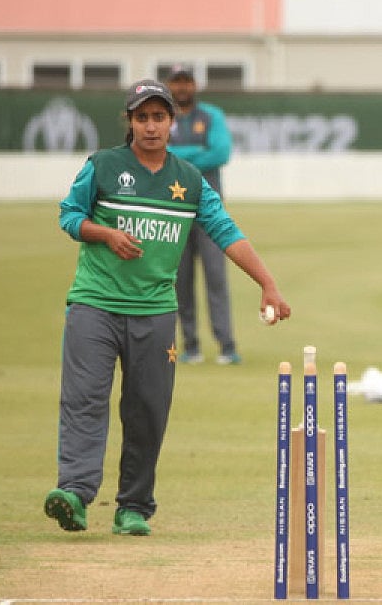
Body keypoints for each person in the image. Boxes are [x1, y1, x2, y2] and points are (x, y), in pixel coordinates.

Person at [44, 79, 291, 536]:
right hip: (94, 305)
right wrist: (105, 233)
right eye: (142, 118)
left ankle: (133, 506)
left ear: (171, 122)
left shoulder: (188, 180)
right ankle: (75, 494)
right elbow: (69, 215)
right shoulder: (102, 166)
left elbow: (226, 232)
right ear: (130, 122)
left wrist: (268, 283)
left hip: (156, 312)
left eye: (159, 117)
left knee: (148, 408)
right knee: (84, 401)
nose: (151, 126)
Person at [165, 65, 240, 365]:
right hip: (174, 211)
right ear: (169, 85)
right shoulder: (163, 117)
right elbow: (153, 151)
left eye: (186, 82)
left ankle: (226, 346)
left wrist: (178, 155)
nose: (182, 88)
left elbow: (220, 153)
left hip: (209, 210)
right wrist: (197, 151)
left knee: (216, 278)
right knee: (180, 281)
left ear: (194, 85)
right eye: (176, 82)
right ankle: (191, 346)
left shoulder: (211, 116)